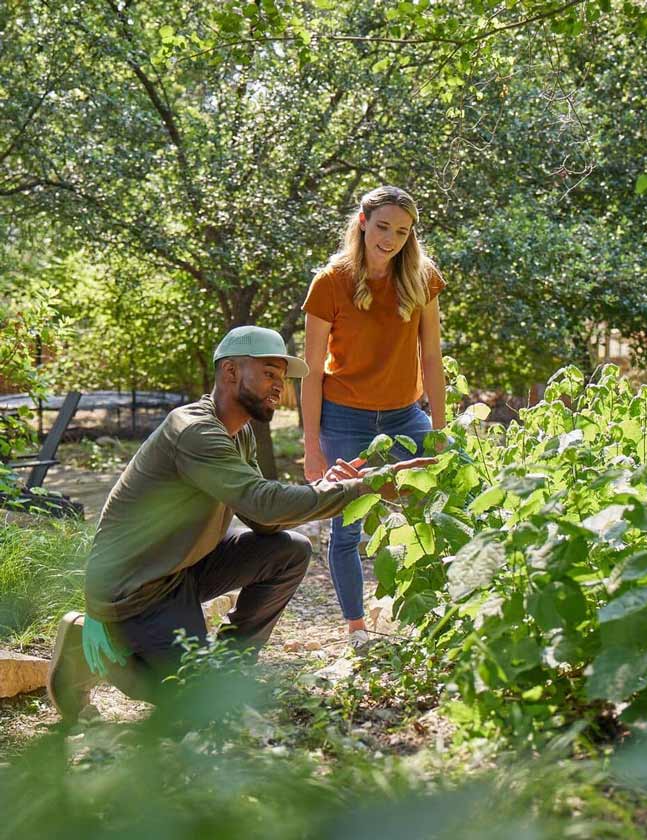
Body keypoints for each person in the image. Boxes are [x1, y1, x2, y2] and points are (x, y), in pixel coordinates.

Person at [47, 325, 433, 724]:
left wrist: (326, 488)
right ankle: (87, 649)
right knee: (195, 703)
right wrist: (368, 485)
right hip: (135, 588)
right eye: (269, 373)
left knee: (289, 550)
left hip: (181, 568)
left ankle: (228, 669)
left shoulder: (240, 432)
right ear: (230, 372)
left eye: (281, 378)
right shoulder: (194, 431)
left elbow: (264, 521)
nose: (278, 388)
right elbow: (264, 506)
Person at [301, 185, 446, 649]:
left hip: (406, 417)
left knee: (445, 499)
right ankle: (357, 629)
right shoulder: (330, 283)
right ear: (363, 222)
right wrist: (310, 447)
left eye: (402, 232)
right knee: (346, 528)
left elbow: (432, 360)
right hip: (344, 420)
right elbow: (309, 374)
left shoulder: (423, 279)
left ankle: (437, 611)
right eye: (383, 227)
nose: (391, 239)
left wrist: (440, 431)